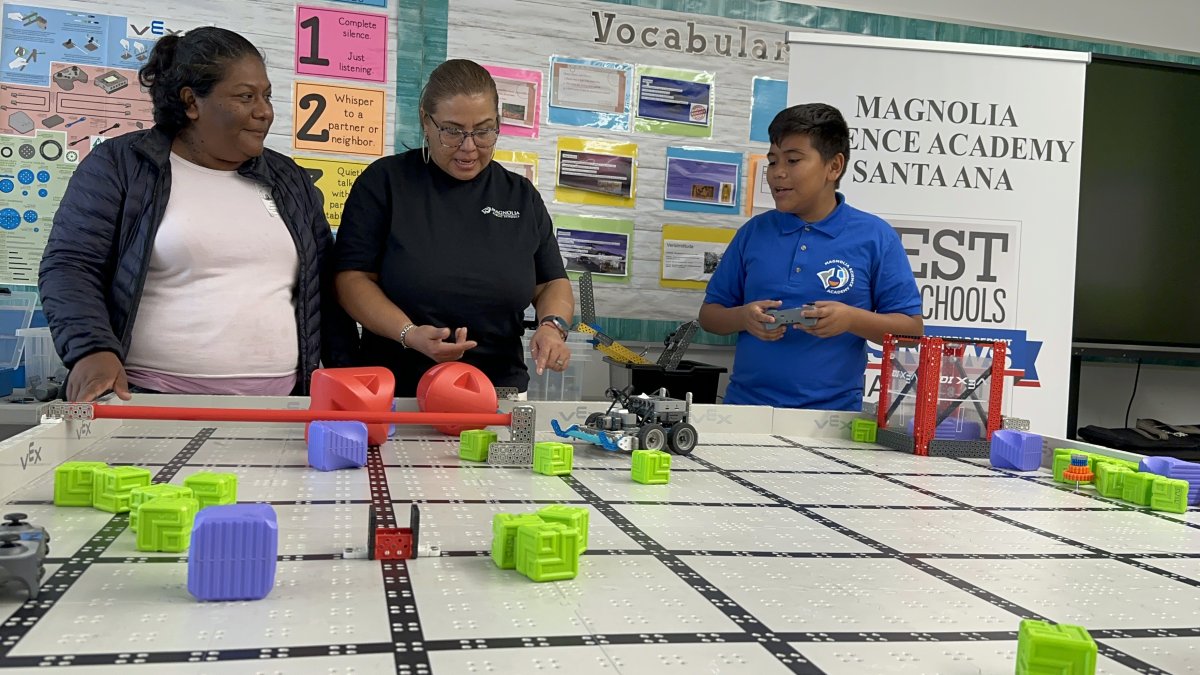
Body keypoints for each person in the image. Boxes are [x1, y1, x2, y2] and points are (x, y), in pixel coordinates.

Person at [38, 27, 356, 402]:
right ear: (191, 102)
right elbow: (70, 265)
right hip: (146, 397)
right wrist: (91, 350)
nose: (264, 112)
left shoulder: (289, 181)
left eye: (267, 96)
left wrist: (347, 374)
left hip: (280, 404)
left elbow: (324, 290)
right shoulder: (121, 166)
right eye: (245, 97)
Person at [334, 59, 574, 397]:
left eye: (483, 130)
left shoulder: (520, 196)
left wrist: (552, 327)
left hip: (497, 390)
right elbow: (351, 280)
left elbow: (551, 282)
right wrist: (409, 333)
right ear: (425, 122)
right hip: (397, 390)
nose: (469, 147)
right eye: (452, 130)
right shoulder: (385, 183)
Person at [699, 103, 923, 411]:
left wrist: (850, 319)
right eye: (773, 160)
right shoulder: (754, 232)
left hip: (834, 419)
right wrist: (744, 318)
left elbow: (910, 331)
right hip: (745, 410)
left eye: (792, 160)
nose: (777, 173)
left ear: (834, 167)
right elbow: (710, 316)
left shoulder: (875, 236)